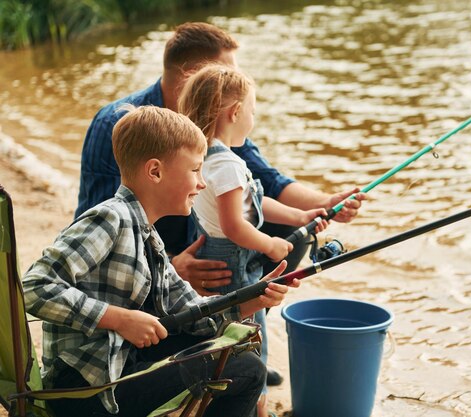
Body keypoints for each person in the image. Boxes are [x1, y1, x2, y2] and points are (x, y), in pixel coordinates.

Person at [22, 105, 299, 417]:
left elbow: (192, 312)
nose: (203, 183)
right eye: (195, 170)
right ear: (155, 171)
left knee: (225, 345)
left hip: (119, 367)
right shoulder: (110, 218)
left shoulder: (148, 235)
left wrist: (255, 297)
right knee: (247, 369)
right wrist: (119, 319)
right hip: (87, 392)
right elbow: (34, 286)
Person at [75, 21, 366, 296]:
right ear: (193, 76)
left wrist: (324, 204)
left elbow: (268, 181)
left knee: (290, 228)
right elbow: (103, 222)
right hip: (149, 246)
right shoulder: (118, 123)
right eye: (225, 74)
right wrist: (171, 265)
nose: (235, 82)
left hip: (203, 233)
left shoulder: (217, 124)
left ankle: (251, 299)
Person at [178, 63, 329, 416]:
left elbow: (253, 202)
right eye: (252, 111)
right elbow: (235, 224)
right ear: (235, 112)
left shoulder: (205, 158)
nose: (253, 119)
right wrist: (270, 245)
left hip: (217, 256)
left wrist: (301, 217)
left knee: (223, 344)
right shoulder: (228, 165)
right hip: (235, 265)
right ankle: (256, 410)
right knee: (249, 342)